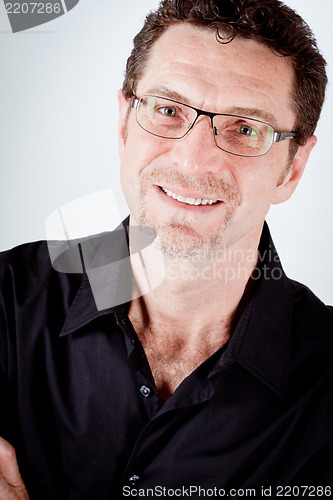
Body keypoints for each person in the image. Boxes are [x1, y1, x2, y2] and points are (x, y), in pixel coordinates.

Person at [0, 0, 332, 498]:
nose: (194, 160)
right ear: (123, 123)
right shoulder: (8, 302)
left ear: (293, 167)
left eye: (245, 129)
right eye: (168, 110)